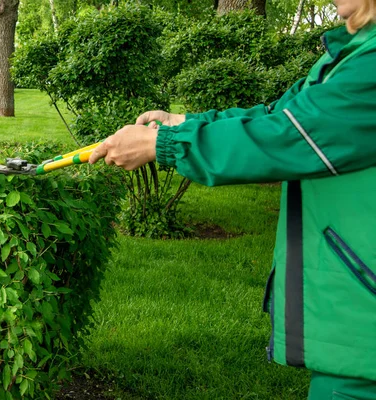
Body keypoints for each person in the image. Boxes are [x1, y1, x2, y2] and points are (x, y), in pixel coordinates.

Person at [89, 0, 376, 398]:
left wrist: (166, 145)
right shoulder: (353, 54)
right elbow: (278, 116)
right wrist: (185, 123)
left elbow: (290, 137)